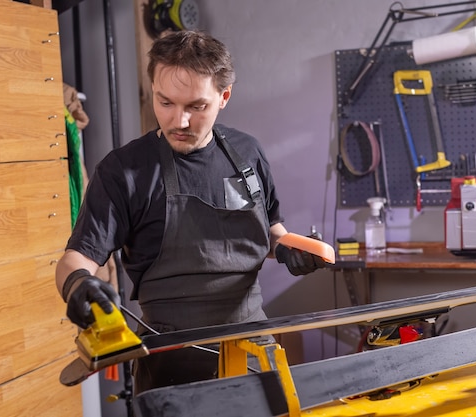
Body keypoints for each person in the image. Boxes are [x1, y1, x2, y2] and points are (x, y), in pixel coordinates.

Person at [55, 30, 325, 395]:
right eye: (164, 102)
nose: (178, 122)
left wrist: (290, 248)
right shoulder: (123, 171)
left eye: (195, 106)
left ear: (224, 96)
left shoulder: (247, 154)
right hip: (172, 355)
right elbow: (75, 259)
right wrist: (77, 285)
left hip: (253, 343)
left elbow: (272, 231)